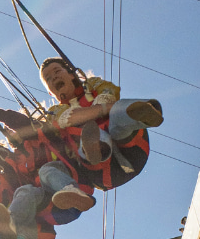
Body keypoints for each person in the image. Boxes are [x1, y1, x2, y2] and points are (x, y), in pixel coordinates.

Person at [38, 57, 161, 191]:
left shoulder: (93, 85)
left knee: (116, 116)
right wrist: (103, 109)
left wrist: (103, 108)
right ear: (50, 92)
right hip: (101, 171)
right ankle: (95, 146)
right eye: (48, 78)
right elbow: (70, 118)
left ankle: (146, 112)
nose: (54, 78)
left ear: (71, 74)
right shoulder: (53, 112)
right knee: (94, 127)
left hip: (133, 149)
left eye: (57, 71)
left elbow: (109, 93)